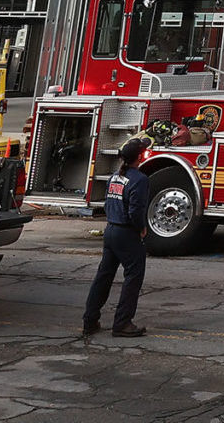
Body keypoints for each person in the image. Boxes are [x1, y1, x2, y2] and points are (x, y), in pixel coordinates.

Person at [82, 138, 152, 338]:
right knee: (133, 277)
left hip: (111, 230)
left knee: (103, 277)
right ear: (140, 157)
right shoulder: (140, 180)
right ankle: (122, 322)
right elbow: (136, 210)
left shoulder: (115, 177)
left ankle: (90, 319)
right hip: (127, 233)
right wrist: (141, 228)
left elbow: (108, 203)